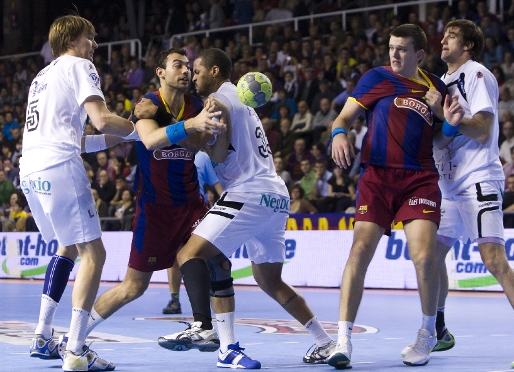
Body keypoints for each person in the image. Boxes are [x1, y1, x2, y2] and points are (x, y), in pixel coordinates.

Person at [157, 48, 335, 368]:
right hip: (276, 196)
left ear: (214, 72)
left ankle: (204, 328)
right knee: (269, 281)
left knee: (189, 254)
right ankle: (325, 343)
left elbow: (220, 155)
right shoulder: (242, 100)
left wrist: (187, 132)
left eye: (197, 71)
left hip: (248, 192)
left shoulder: (219, 101)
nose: (193, 77)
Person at [328, 24, 464, 368]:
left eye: (402, 49)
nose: (394, 53)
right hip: (376, 176)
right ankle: (343, 339)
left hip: (419, 179)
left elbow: (441, 140)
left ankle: (427, 333)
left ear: (419, 54)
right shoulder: (375, 78)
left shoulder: (437, 86)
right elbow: (343, 116)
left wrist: (445, 120)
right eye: (391, 47)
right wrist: (340, 134)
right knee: (360, 249)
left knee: (424, 256)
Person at [24, 14, 139, 371]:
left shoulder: (42, 77)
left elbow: (79, 138)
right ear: (73, 39)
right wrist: (141, 129)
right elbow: (102, 119)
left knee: (69, 246)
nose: (95, 44)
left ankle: (42, 336)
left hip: (30, 172)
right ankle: (75, 349)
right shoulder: (81, 65)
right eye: (90, 37)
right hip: (59, 168)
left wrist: (125, 138)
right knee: (95, 255)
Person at [406, 20, 514, 368]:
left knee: (494, 260)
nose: (443, 40)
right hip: (448, 185)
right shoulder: (442, 83)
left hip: (477, 179)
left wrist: (443, 113)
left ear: (468, 45)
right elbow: (442, 137)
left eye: (451, 36)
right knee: (430, 257)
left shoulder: (476, 74)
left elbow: (482, 130)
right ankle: (439, 329)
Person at [162, 149, 223, 315]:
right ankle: (174, 300)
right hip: (173, 212)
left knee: (202, 255)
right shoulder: (168, 153)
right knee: (174, 257)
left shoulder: (203, 158)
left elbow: (218, 186)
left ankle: (213, 296)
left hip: (196, 212)